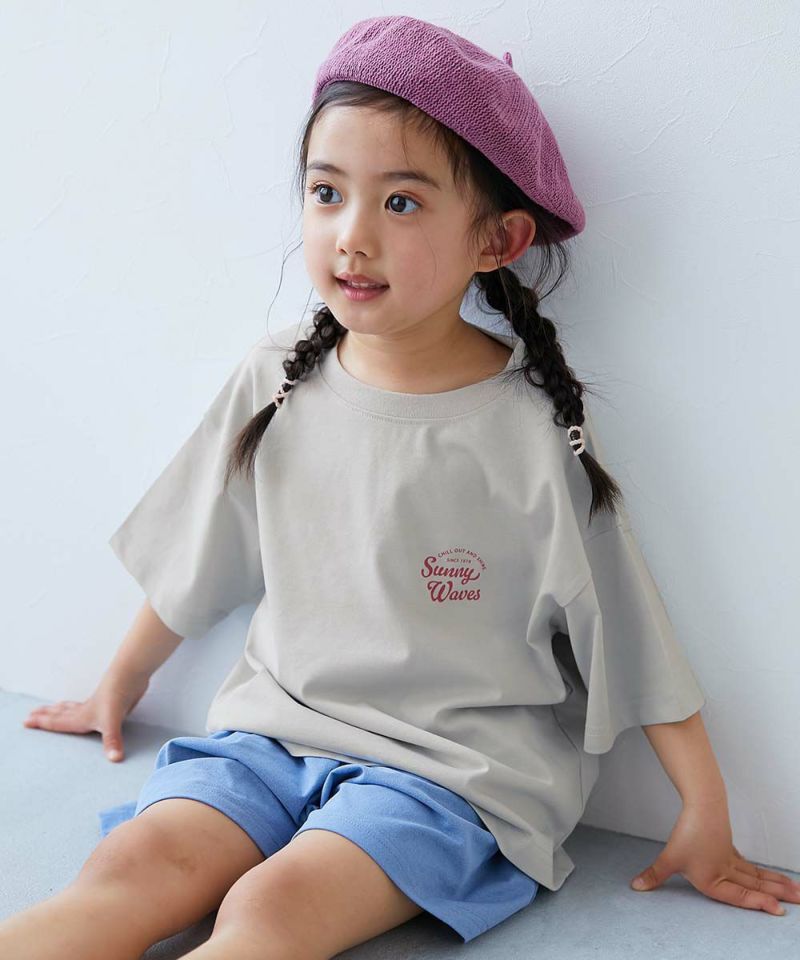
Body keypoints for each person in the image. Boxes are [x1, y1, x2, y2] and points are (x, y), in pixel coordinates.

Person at [7, 13, 798, 960]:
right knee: (130, 869)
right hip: (266, 742)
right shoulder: (277, 381)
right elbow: (200, 549)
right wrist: (119, 683)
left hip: (450, 777)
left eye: (402, 203)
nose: (352, 236)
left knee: (273, 908)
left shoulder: (527, 428)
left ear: (496, 239)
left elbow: (624, 627)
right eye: (327, 192)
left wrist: (705, 809)